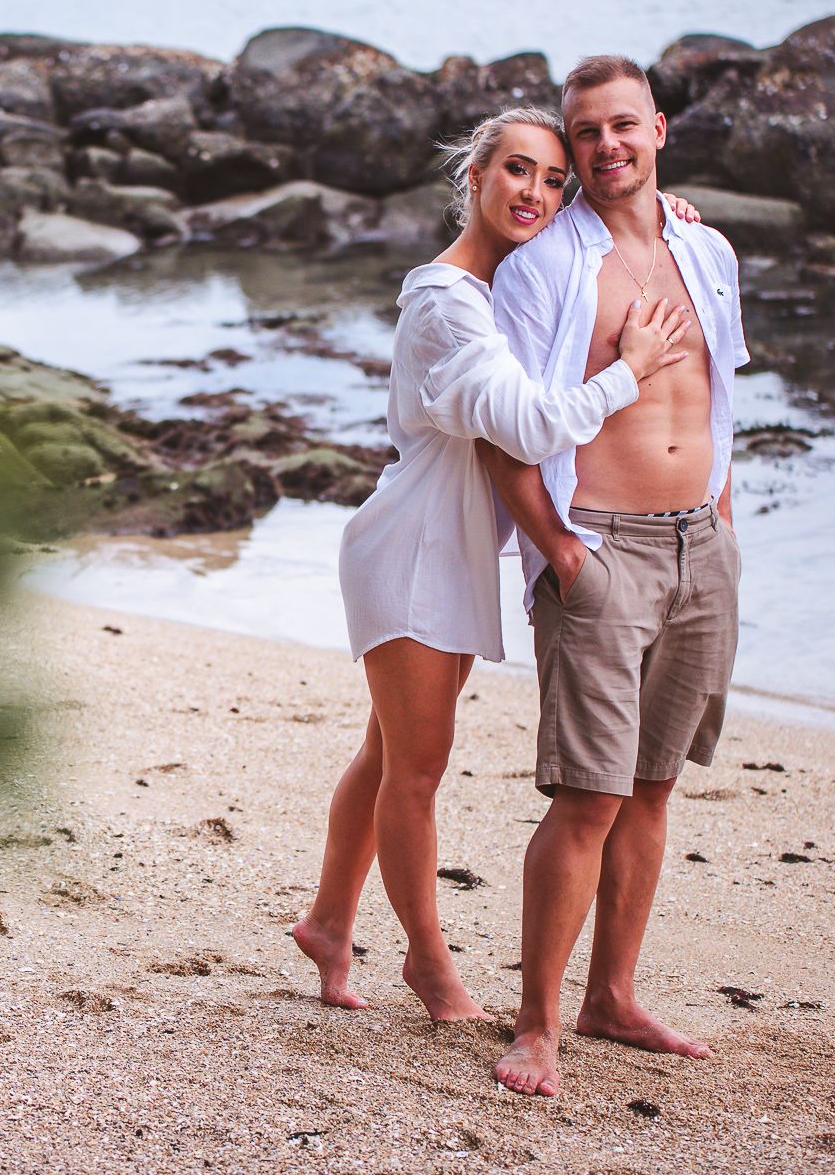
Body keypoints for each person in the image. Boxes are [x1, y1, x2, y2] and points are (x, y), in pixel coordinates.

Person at [293, 104, 697, 1019]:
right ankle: (430, 968)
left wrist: (667, 217)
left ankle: (327, 920)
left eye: (555, 179)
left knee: (386, 750)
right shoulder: (446, 304)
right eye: (519, 171)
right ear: (473, 178)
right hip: (418, 552)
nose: (539, 193)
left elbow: (599, 247)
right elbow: (523, 423)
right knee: (418, 772)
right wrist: (629, 371)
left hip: (444, 547)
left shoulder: (498, 283)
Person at [483, 55, 748, 1096]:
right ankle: (538, 1025)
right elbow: (501, 430)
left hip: (702, 548)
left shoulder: (709, 248)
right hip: (601, 547)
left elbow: (719, 393)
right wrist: (557, 550)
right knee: (587, 796)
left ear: (661, 129)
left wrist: (724, 517)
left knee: (652, 787)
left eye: (624, 126)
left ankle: (615, 995)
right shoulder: (547, 264)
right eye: (586, 133)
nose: (607, 147)